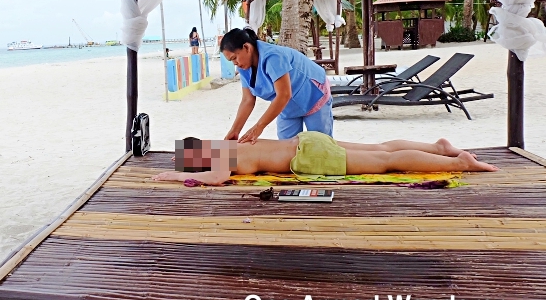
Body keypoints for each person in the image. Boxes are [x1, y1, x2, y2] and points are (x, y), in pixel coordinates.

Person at [152, 134, 498, 185]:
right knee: (380, 148)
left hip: (308, 156)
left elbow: (217, 179)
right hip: (307, 139)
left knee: (385, 164)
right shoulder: (228, 144)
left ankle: (458, 163)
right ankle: (439, 148)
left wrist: (173, 178)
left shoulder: (221, 159)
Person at [220, 27, 333, 143]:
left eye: (234, 58)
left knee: (320, 145)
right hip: (287, 107)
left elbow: (284, 94)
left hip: (313, 95)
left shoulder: (273, 56)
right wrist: (235, 130)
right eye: (231, 61)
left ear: (246, 47)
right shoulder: (243, 67)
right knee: (286, 147)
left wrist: (258, 127)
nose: (235, 63)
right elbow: (247, 100)